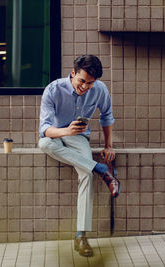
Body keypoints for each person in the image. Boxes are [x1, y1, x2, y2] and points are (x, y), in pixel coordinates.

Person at [38, 54, 120, 257]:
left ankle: (81, 236)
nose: (85, 86)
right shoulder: (53, 89)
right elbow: (45, 129)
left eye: (90, 83)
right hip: (57, 134)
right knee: (44, 143)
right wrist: (66, 131)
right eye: (82, 81)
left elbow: (106, 116)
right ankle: (100, 168)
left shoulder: (99, 89)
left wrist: (109, 146)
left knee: (86, 174)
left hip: (79, 138)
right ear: (73, 73)